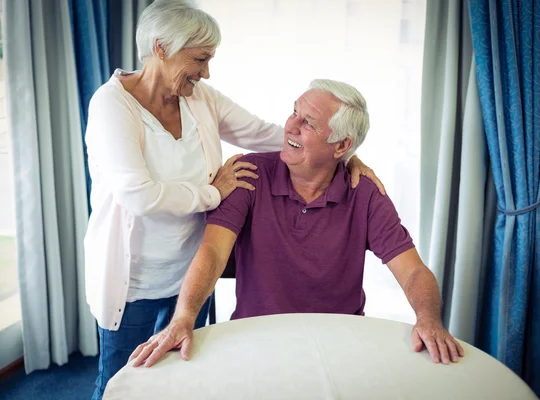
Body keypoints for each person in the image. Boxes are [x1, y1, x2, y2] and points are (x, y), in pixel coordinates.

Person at [84, 1, 382, 398]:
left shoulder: (199, 96)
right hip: (134, 282)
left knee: (184, 382)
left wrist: (340, 150)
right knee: (123, 384)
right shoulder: (112, 105)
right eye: (200, 58)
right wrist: (213, 192)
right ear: (161, 48)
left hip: (190, 275)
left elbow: (270, 134)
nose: (206, 71)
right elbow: (138, 195)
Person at [128, 79, 465, 369]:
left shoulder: (363, 193)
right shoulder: (250, 174)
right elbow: (213, 251)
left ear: (343, 146)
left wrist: (429, 319)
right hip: (255, 339)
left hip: (339, 343)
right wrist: (183, 318)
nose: (290, 126)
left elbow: (412, 271)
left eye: (308, 123)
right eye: (294, 112)